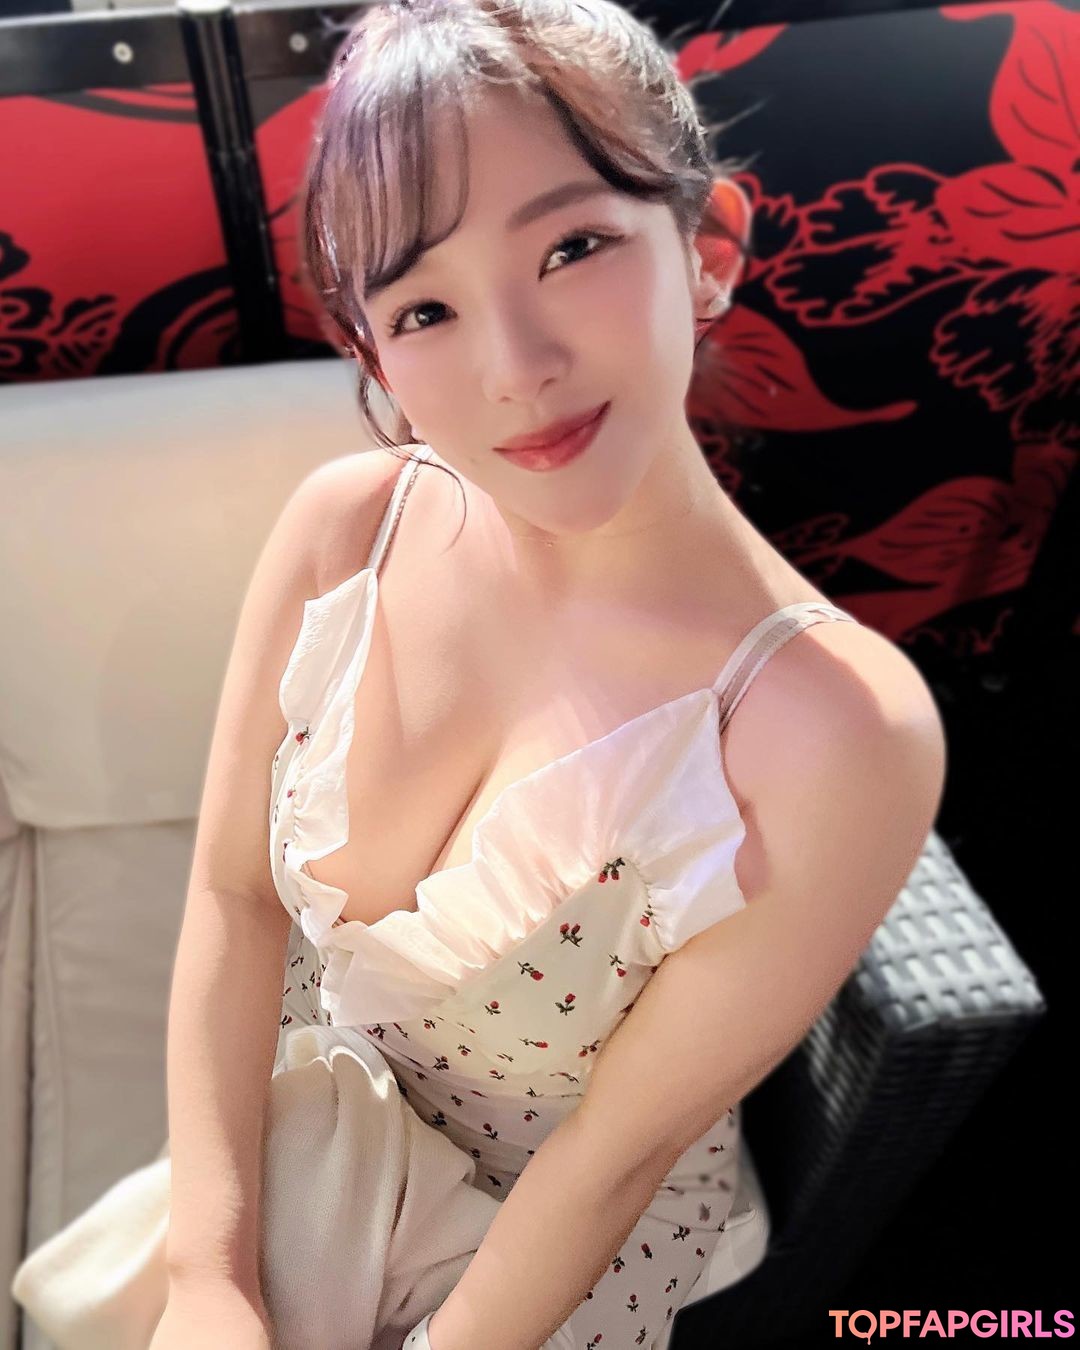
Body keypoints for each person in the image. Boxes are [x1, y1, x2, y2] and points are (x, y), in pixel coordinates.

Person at [10, 1, 947, 1347]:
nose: (518, 369)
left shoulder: (833, 732)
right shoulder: (346, 533)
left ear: (707, 250)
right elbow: (232, 894)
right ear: (373, 351)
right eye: (425, 307)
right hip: (307, 1150)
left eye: (573, 247)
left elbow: (612, 1160)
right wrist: (212, 1275)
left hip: (540, 1259)